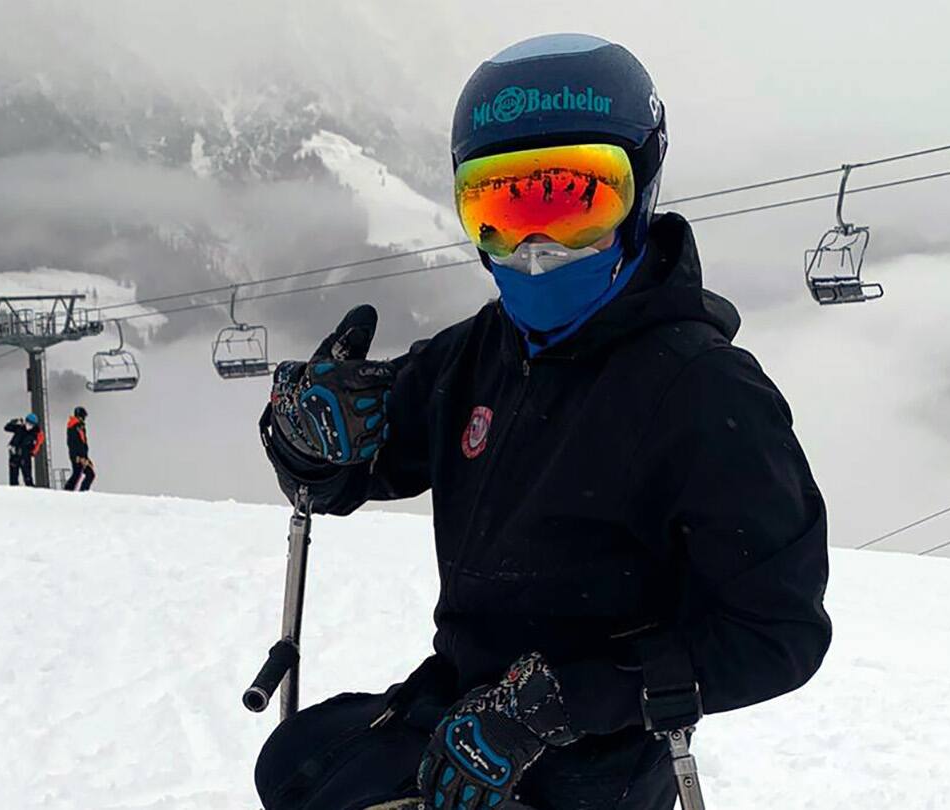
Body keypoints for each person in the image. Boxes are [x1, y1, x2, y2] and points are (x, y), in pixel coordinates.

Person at [254, 34, 831, 810]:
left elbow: (777, 633)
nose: (534, 249)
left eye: (573, 202)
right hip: (458, 717)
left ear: (641, 193)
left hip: (597, 764)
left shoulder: (704, 394)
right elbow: (351, 466)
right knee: (294, 767)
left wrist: (565, 703)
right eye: (500, 208)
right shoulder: (475, 357)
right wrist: (310, 437)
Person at [4, 412, 43, 487]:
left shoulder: (36, 433)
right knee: (13, 478)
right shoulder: (20, 427)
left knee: (28, 477)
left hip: (25, 456)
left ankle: (31, 492)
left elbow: (39, 443)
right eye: (27, 422)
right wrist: (14, 422)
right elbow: (6, 428)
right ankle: (14, 492)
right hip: (14, 454)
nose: (28, 425)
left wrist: (33, 452)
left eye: (31, 424)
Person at [64, 406, 96, 492]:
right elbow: (73, 444)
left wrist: (86, 458)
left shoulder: (80, 427)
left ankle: (70, 490)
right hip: (77, 457)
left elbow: (83, 444)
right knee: (86, 474)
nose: (84, 419)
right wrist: (77, 457)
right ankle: (77, 491)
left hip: (82, 457)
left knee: (79, 474)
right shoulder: (74, 427)